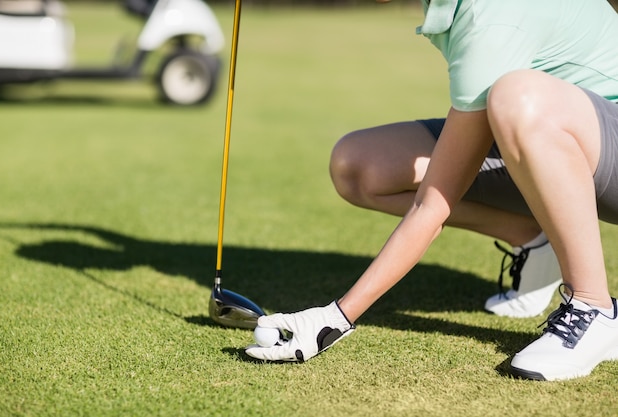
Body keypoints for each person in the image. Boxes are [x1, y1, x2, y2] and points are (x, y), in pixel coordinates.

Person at [246, 0, 618, 381]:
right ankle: (537, 239)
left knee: (516, 96)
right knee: (359, 164)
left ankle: (594, 307)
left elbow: (432, 204)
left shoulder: (490, 17)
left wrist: (336, 317)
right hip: (560, 138)